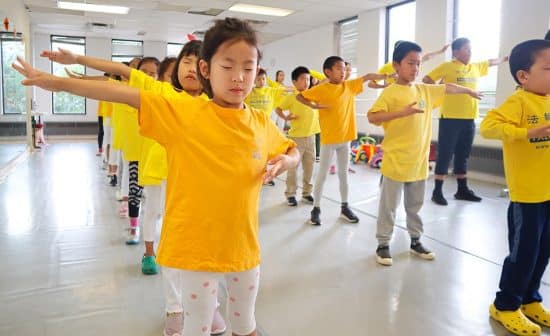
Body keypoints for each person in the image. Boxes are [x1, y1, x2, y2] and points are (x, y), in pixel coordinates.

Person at [16, 17, 300, 336]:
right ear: (207, 69)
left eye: (248, 68)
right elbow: (121, 91)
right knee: (198, 328)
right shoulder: (182, 112)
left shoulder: (261, 122)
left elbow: (291, 149)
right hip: (195, 251)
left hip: (243, 248)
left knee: (246, 326)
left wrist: (286, 162)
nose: (239, 77)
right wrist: (56, 83)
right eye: (228, 66)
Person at [367, 41, 482, 266]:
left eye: (418, 64)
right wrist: (402, 113)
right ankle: (383, 243)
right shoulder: (390, 92)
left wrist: (469, 91)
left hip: (418, 160)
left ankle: (416, 240)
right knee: (388, 206)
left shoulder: (423, 90)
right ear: (396, 65)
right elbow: (373, 116)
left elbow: (448, 87)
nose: (416, 68)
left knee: (415, 205)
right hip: (395, 160)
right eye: (411, 63)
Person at [481, 39, 550, 336]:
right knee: (524, 253)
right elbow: (488, 126)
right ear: (524, 76)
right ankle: (506, 304)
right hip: (527, 195)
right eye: (549, 68)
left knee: (543, 250)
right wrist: (524, 132)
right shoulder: (519, 101)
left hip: (548, 191)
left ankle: (530, 298)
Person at [297, 56, 387, 226]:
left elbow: (367, 77)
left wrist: (387, 77)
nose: (343, 71)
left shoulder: (349, 86)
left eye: (345, 68)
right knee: (322, 175)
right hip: (329, 140)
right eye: (339, 68)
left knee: (344, 175)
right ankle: (316, 208)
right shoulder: (322, 89)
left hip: (346, 139)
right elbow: (300, 97)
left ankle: (345, 207)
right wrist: (313, 106)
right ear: (328, 72)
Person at [423, 37, 508, 205]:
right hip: (450, 119)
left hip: (469, 118)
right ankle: (437, 191)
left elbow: (490, 62)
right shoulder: (447, 67)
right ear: (455, 52)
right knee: (446, 154)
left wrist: (505, 59)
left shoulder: (474, 67)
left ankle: (462, 190)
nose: (470, 52)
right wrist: (440, 87)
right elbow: (426, 80)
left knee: (463, 155)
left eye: (471, 49)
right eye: (467, 49)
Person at [275, 66, 319, 206]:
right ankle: (291, 194)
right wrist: (286, 118)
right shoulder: (292, 97)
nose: (306, 82)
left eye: (308, 79)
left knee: (309, 167)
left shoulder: (313, 94)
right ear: (294, 82)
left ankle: (307, 193)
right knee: (293, 168)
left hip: (311, 137)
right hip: (296, 139)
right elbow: (278, 108)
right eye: (303, 79)